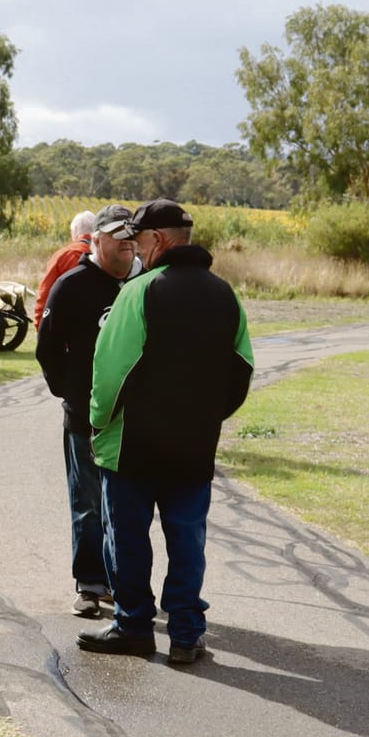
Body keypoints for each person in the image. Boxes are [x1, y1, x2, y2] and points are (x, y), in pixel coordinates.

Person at [80, 199, 254, 664]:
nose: (135, 249)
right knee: (187, 539)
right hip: (194, 444)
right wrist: (207, 417)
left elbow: (111, 370)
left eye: (138, 240)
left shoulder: (138, 292)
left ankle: (134, 627)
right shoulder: (225, 294)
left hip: (133, 445)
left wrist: (99, 423)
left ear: (157, 240)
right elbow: (242, 369)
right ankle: (185, 634)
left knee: (128, 537)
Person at [36, 203, 139, 618]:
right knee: (89, 502)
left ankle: (125, 585)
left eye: (131, 235)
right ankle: (91, 584)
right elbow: (47, 348)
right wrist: (72, 394)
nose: (126, 244)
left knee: (130, 505)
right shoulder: (73, 284)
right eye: (117, 236)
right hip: (88, 417)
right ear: (97, 239)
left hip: (138, 421)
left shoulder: (147, 283)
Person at [33, 209, 96, 328]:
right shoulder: (107, 256)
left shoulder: (62, 256)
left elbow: (45, 295)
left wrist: (40, 327)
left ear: (75, 232)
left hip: (65, 328)